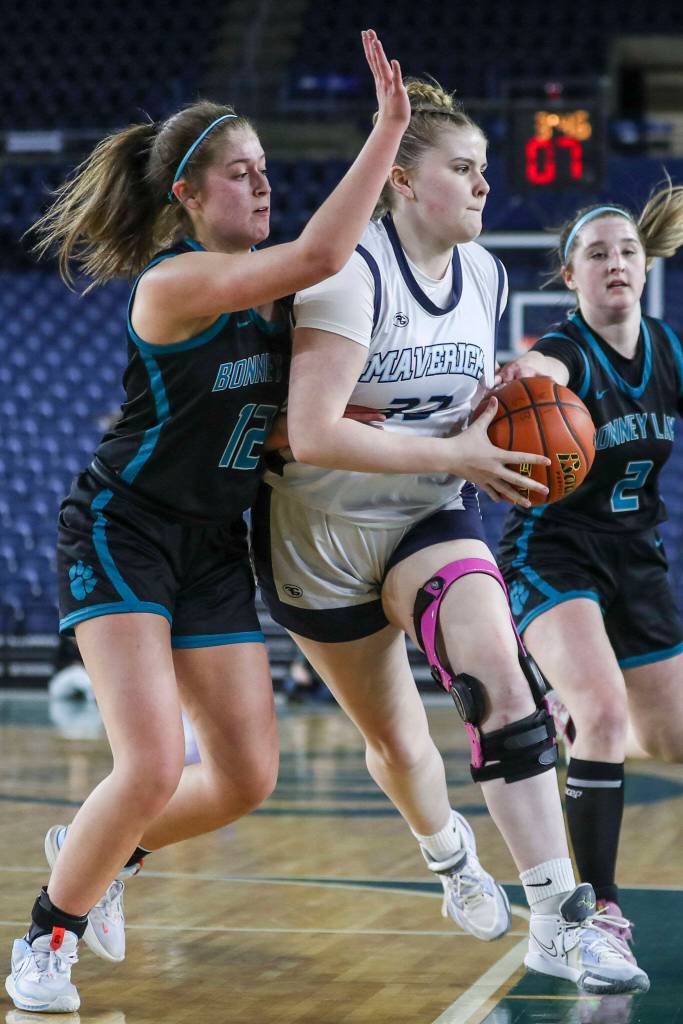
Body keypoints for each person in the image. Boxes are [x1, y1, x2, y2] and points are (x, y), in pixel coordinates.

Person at [6, 31, 413, 1014]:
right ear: (187, 195)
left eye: (266, 169)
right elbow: (323, 251)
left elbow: (254, 415)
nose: (262, 185)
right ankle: (45, 939)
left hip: (212, 544)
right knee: (151, 763)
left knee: (243, 778)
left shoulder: (273, 305)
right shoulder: (172, 284)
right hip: (125, 530)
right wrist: (388, 130)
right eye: (240, 173)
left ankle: (99, 846)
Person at [252, 79, 649, 994]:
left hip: (430, 513)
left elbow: (459, 409)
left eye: (484, 168)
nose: (482, 185)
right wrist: (456, 447)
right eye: (462, 168)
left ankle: (558, 919)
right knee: (400, 749)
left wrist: (498, 403)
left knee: (497, 680)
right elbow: (311, 433)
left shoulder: (486, 275)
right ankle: (446, 854)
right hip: (321, 536)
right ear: (401, 180)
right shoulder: (350, 273)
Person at [495, 185, 683, 947]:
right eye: (597, 254)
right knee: (604, 714)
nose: (615, 263)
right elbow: (543, 368)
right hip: (554, 550)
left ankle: (569, 719)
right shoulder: (568, 349)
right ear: (570, 276)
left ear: (645, 266)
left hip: (636, 556)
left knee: (668, 741)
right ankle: (599, 907)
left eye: (626, 251)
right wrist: (525, 373)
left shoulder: (668, 350)